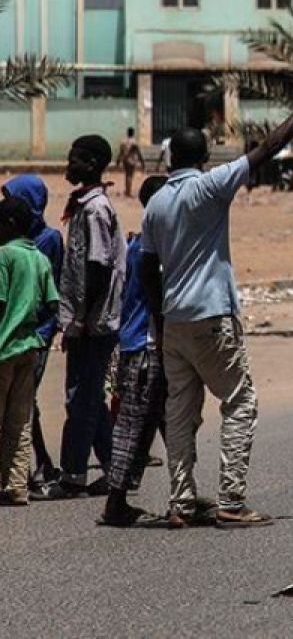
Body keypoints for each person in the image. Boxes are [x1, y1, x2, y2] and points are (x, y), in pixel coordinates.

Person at [141, 72, 293, 529]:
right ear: (205, 157)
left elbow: (147, 269)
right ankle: (230, 499)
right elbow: (268, 147)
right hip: (211, 315)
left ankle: (181, 503)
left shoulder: (155, 204)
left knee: (180, 414)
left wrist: (159, 319)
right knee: (240, 402)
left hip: (173, 321)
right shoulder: (210, 188)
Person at [35, 135, 126, 500]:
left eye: (73, 160)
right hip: (88, 321)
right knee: (89, 397)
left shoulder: (95, 210)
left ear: (90, 163)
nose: (67, 166)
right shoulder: (85, 206)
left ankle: (73, 475)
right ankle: (116, 468)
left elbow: (98, 268)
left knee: (79, 398)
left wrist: (82, 321)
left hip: (94, 323)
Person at [100, 175, 168, 527]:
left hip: (140, 343)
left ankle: (184, 492)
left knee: (169, 421)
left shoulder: (140, 244)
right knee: (133, 425)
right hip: (145, 344)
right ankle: (116, 501)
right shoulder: (148, 250)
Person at [1, 175, 64, 489]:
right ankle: (20, 479)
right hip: (30, 339)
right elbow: (53, 298)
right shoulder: (32, 253)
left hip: (14, 342)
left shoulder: (14, 252)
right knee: (23, 413)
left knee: (13, 411)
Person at [115, 128, 145, 199]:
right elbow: (138, 152)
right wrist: (142, 161)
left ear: (127, 133)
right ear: (133, 133)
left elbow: (121, 152)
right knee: (130, 176)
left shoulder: (123, 142)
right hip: (132, 160)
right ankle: (128, 192)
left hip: (125, 160)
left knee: (127, 175)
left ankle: (127, 190)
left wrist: (118, 160)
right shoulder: (134, 142)